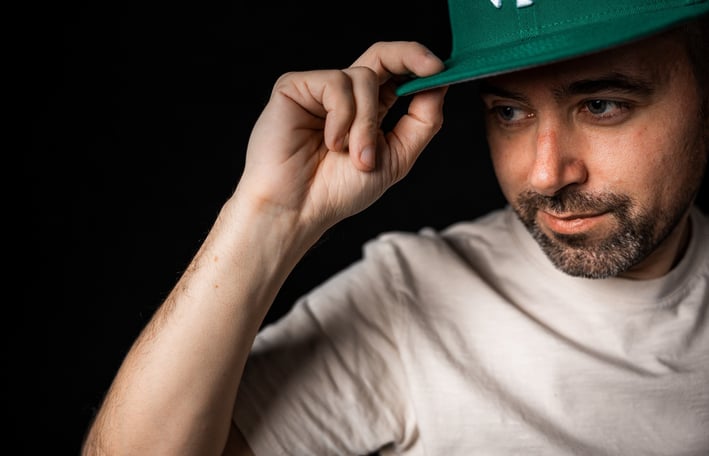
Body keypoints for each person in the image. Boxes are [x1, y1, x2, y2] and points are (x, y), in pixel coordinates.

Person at [82, 0, 709, 455]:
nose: (546, 174)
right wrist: (267, 216)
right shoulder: (413, 300)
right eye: (510, 111)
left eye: (602, 105)